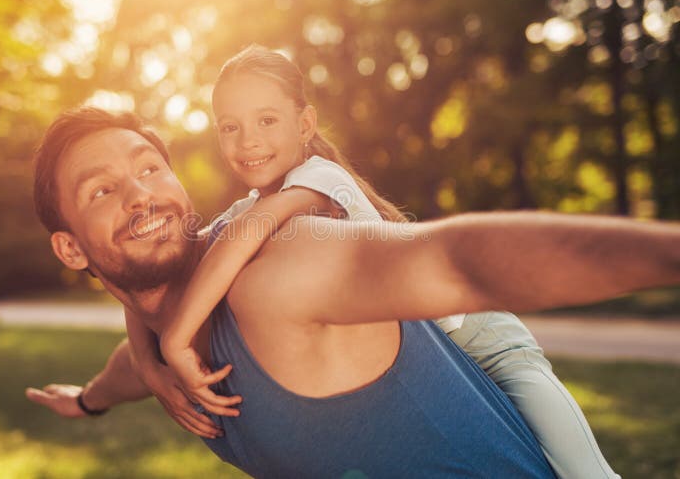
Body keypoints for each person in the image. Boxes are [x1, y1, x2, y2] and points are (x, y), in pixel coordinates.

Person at [25, 106, 680, 478]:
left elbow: (456, 261)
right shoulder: (166, 350)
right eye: (103, 190)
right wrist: (88, 401)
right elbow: (126, 368)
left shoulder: (274, 267)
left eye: (148, 168)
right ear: (71, 248)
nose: (141, 194)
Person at [127, 45, 615, 478]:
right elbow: (165, 262)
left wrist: (174, 339)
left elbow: (239, 237)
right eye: (230, 127)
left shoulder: (319, 180)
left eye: (267, 120)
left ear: (305, 124)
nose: (247, 140)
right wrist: (150, 366)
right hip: (440, 369)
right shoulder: (249, 210)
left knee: (584, 472)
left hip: (484, 343)